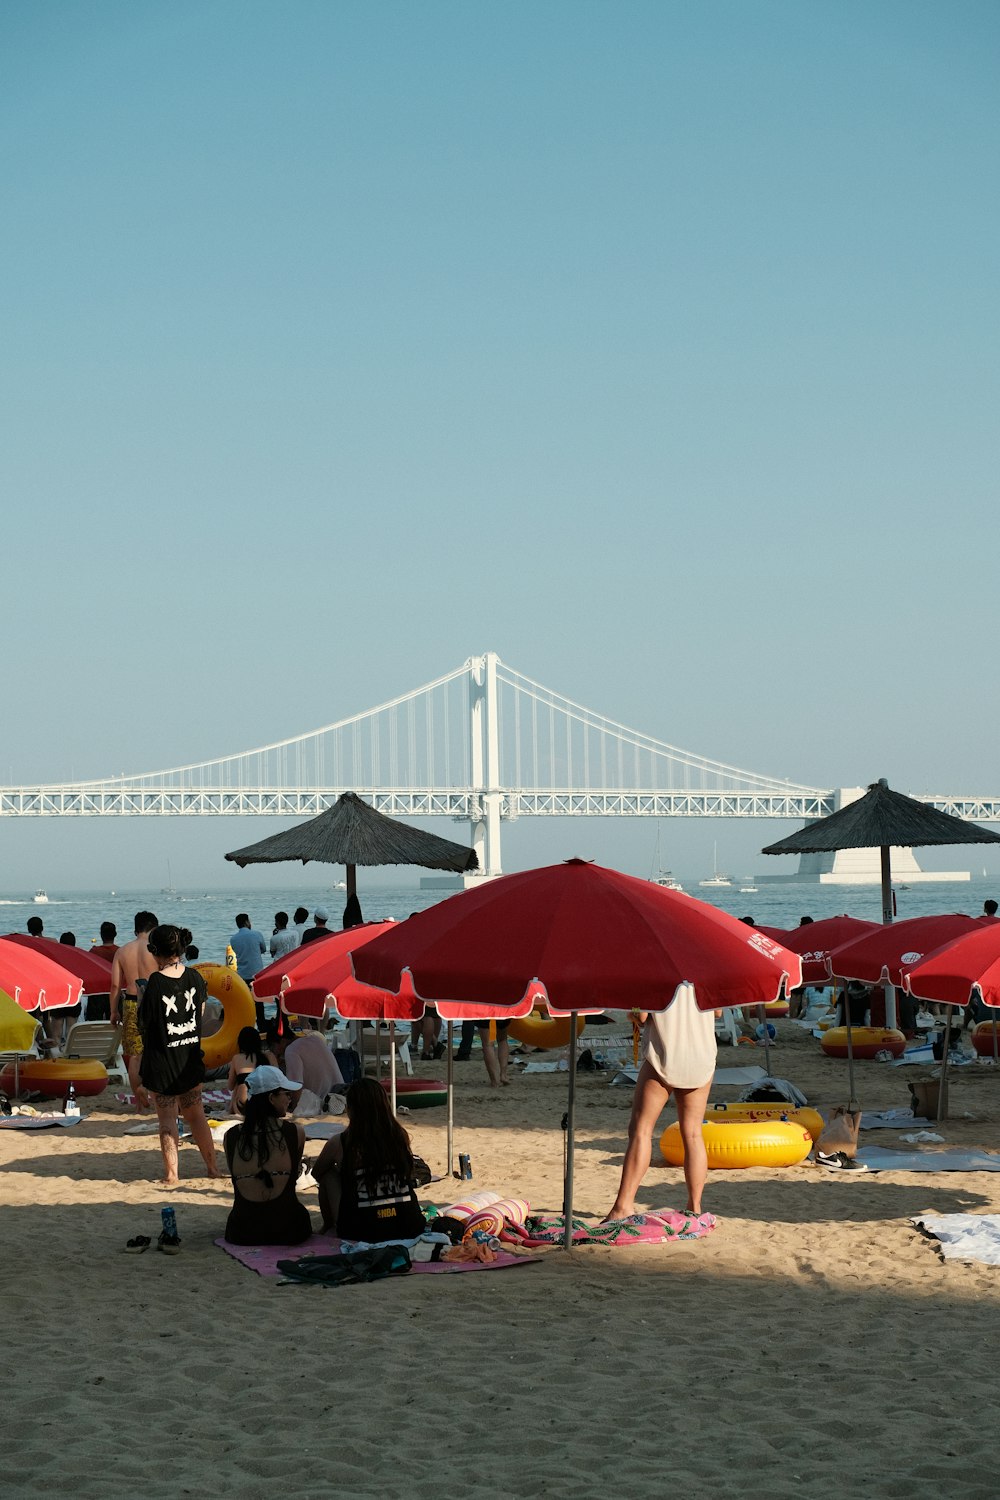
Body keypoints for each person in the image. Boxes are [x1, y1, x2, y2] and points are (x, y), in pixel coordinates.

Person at [603, 986, 718, 1221]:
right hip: (701, 1054)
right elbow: (717, 1013)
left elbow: (642, 1016)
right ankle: (694, 1207)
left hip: (664, 1053)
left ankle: (623, 1205)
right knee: (693, 1134)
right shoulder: (705, 971)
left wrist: (632, 1014)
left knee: (641, 1130)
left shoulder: (656, 973)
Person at [137, 924, 220, 1186]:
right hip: (189, 1057)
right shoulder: (195, 978)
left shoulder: (156, 983)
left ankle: (172, 1174)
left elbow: (145, 1024)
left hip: (163, 1059)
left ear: (156, 952)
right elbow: (201, 1012)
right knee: (196, 1115)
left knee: (167, 1119)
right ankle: (212, 1167)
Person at [312, 1077, 426, 1241]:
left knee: (328, 1174)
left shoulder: (341, 1142)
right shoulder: (399, 1136)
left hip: (362, 1230)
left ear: (350, 1109)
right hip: (408, 1224)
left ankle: (328, 1226)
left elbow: (317, 1173)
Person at [223, 1066, 313, 1246]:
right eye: (286, 1094)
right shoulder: (295, 1133)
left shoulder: (231, 1137)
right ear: (271, 1098)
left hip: (243, 1231)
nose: (289, 1098)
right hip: (287, 1229)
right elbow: (294, 1174)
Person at [110, 911, 158, 1106]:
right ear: (154, 928)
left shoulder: (122, 951)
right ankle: (155, 1097)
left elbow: (114, 985)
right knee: (156, 1051)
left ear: (135, 928)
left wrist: (114, 1011)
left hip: (130, 1003)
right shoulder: (156, 949)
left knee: (135, 1055)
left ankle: (140, 1102)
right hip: (154, 1002)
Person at [267, 1024, 344, 1110]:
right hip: (340, 1095)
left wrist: (294, 1110)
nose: (273, 1051)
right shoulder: (315, 1039)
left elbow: (296, 1087)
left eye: (273, 1047)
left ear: (282, 1041)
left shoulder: (291, 1050)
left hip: (325, 1104)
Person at [227, 1026, 277, 1114]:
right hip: (267, 1104)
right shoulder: (269, 1056)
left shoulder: (237, 1058)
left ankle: (231, 1110)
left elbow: (230, 1086)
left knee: (239, 1083)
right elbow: (278, 1081)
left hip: (244, 1105)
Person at [229, 914, 267, 985]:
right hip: (257, 974)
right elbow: (264, 949)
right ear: (246, 922)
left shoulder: (233, 939)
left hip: (242, 975)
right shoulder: (257, 934)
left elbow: (238, 952)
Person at [479, 1018, 511, 1086]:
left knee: (488, 1045)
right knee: (502, 1040)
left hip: (486, 1011)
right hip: (502, 1010)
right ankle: (503, 1074)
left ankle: (495, 1080)